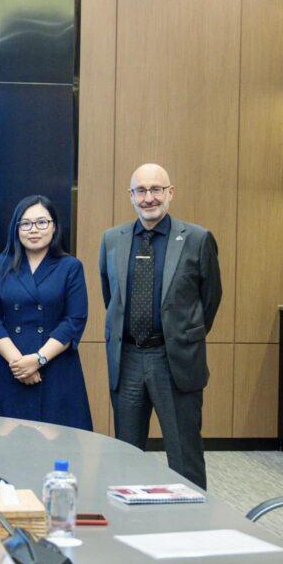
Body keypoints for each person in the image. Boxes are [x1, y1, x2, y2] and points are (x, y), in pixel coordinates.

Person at [100, 163, 221, 489]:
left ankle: (191, 517)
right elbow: (111, 296)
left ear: (171, 192)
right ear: (131, 195)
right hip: (127, 359)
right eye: (141, 190)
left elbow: (211, 299)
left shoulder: (197, 239)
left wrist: (182, 336)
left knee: (184, 456)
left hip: (174, 359)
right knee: (126, 454)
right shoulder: (112, 240)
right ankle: (128, 516)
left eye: (156, 189)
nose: (148, 197)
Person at [0, 195, 92, 430]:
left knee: (60, 443)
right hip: (12, 367)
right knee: (8, 445)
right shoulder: (1, 265)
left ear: (54, 227)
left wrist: (38, 359)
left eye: (42, 222)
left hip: (56, 367)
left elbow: (74, 320)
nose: (33, 230)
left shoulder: (70, 267)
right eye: (25, 224)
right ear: (16, 229)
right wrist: (19, 364)